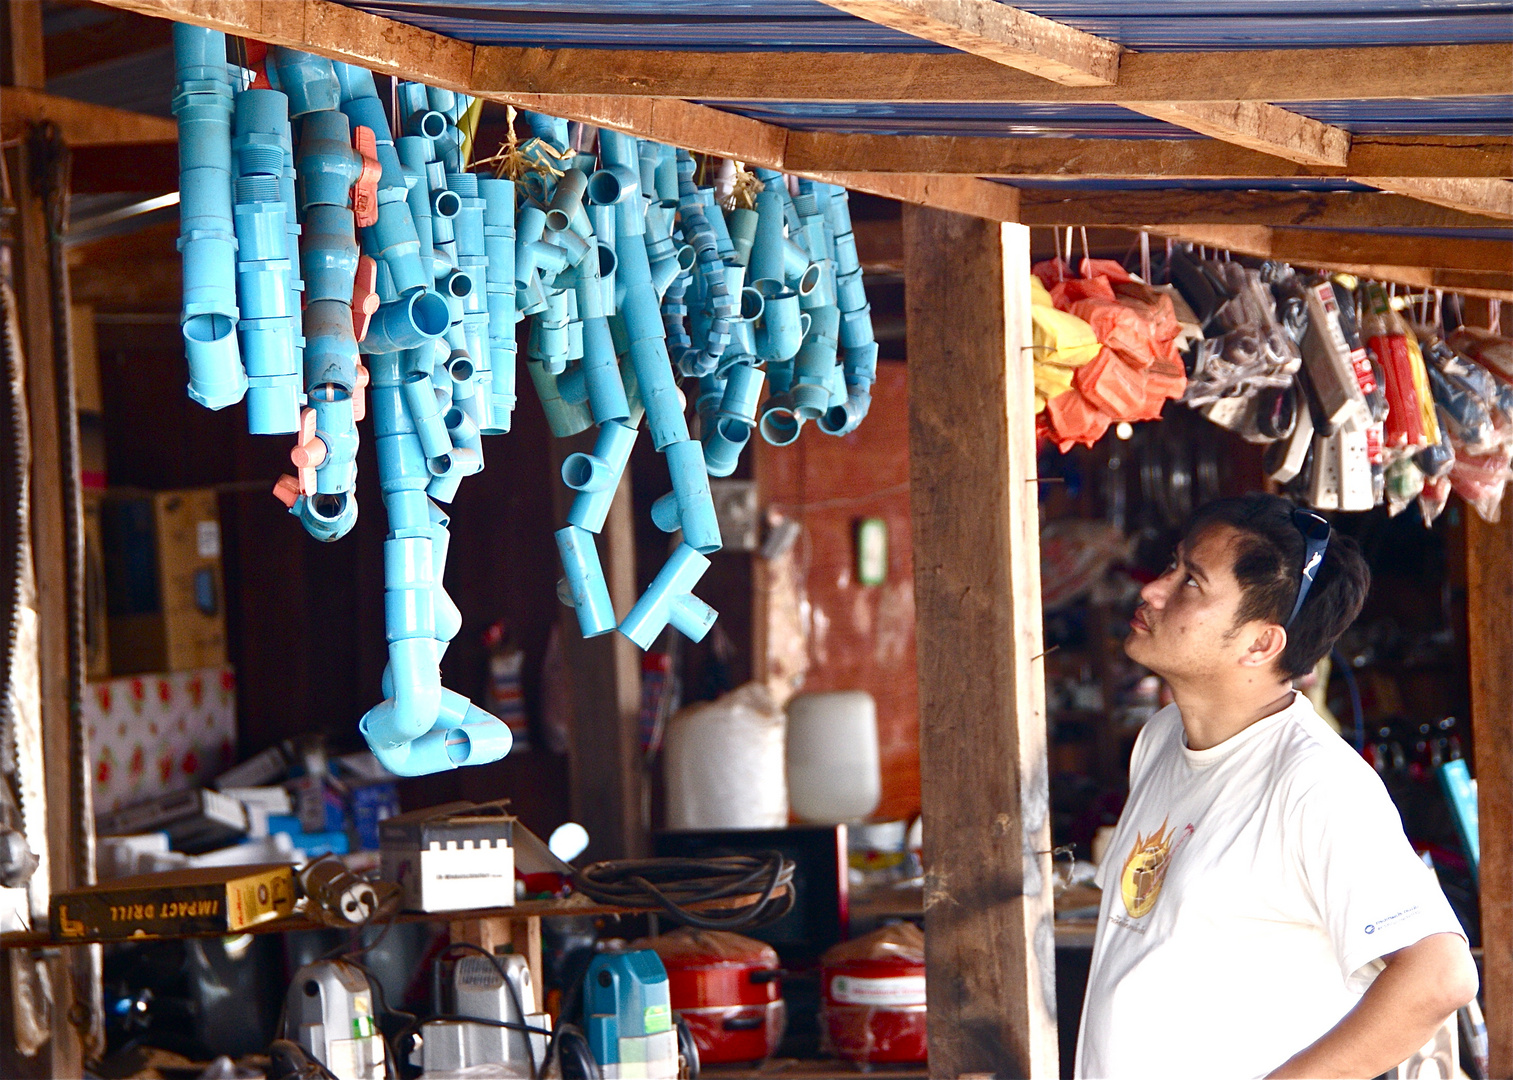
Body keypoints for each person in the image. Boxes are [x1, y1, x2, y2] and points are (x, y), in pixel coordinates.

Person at [1075, 494, 1478, 1080]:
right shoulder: (1161, 739)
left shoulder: (1316, 784)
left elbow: (1440, 974)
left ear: (1260, 643)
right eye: (1172, 565)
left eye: (1191, 582)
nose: (1153, 590)